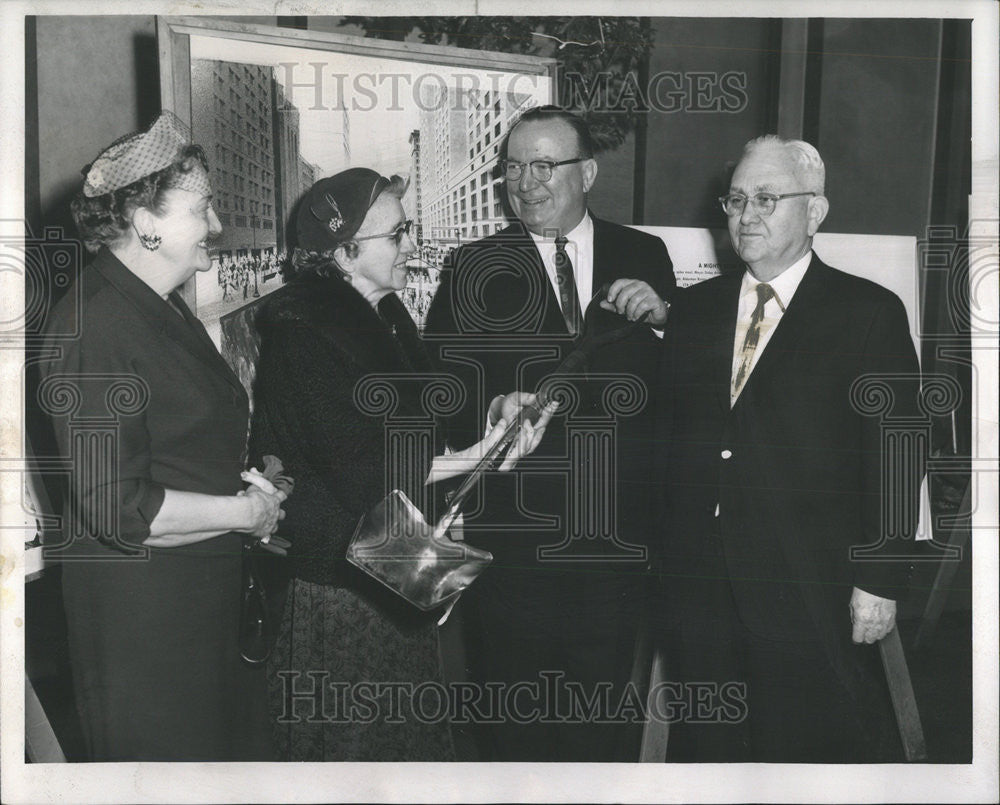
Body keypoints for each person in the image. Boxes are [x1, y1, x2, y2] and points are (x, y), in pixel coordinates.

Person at [249, 167, 554, 762]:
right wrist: (478, 457)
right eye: (399, 234)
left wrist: (495, 418)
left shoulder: (381, 314)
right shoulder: (303, 335)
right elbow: (367, 472)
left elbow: (428, 415)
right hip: (340, 584)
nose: (413, 245)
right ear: (344, 254)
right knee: (358, 751)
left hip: (386, 563)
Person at [654, 135, 921, 762]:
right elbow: (670, 440)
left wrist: (880, 579)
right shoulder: (695, 311)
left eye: (768, 199)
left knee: (800, 748)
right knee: (708, 746)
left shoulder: (867, 313)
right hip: (698, 579)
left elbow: (898, 452)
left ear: (815, 213)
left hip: (808, 580)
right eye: (737, 198)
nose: (747, 216)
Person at [424, 105, 676, 761]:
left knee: (599, 723)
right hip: (513, 543)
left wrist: (665, 322)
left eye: (544, 165)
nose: (525, 182)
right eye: (513, 167)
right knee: (511, 720)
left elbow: (678, 389)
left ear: (587, 172)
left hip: (615, 540)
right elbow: (439, 390)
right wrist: (489, 412)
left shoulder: (644, 255)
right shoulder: (472, 266)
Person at [39, 112, 287, 761]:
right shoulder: (95, 327)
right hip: (146, 634)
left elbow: (183, 443)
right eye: (202, 209)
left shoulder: (156, 304)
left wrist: (249, 489)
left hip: (196, 611)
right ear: (145, 223)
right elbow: (120, 508)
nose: (217, 226)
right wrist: (244, 511)